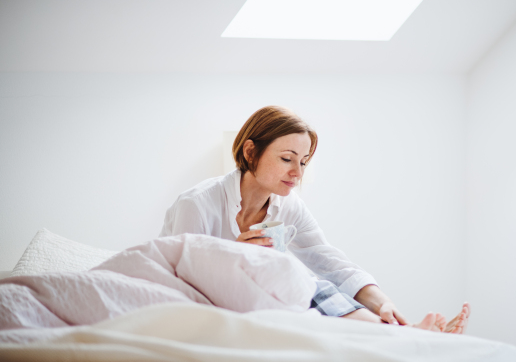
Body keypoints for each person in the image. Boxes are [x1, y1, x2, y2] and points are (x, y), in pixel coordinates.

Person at [160, 106, 470, 333]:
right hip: (208, 301)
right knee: (292, 280)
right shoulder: (197, 204)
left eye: (304, 162)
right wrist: (232, 258)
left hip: (261, 298)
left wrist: (383, 304)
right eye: (286, 159)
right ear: (251, 152)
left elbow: (331, 262)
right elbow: (181, 285)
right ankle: (403, 335)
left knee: (312, 282)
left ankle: (400, 331)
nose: (297, 173)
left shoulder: (289, 206)